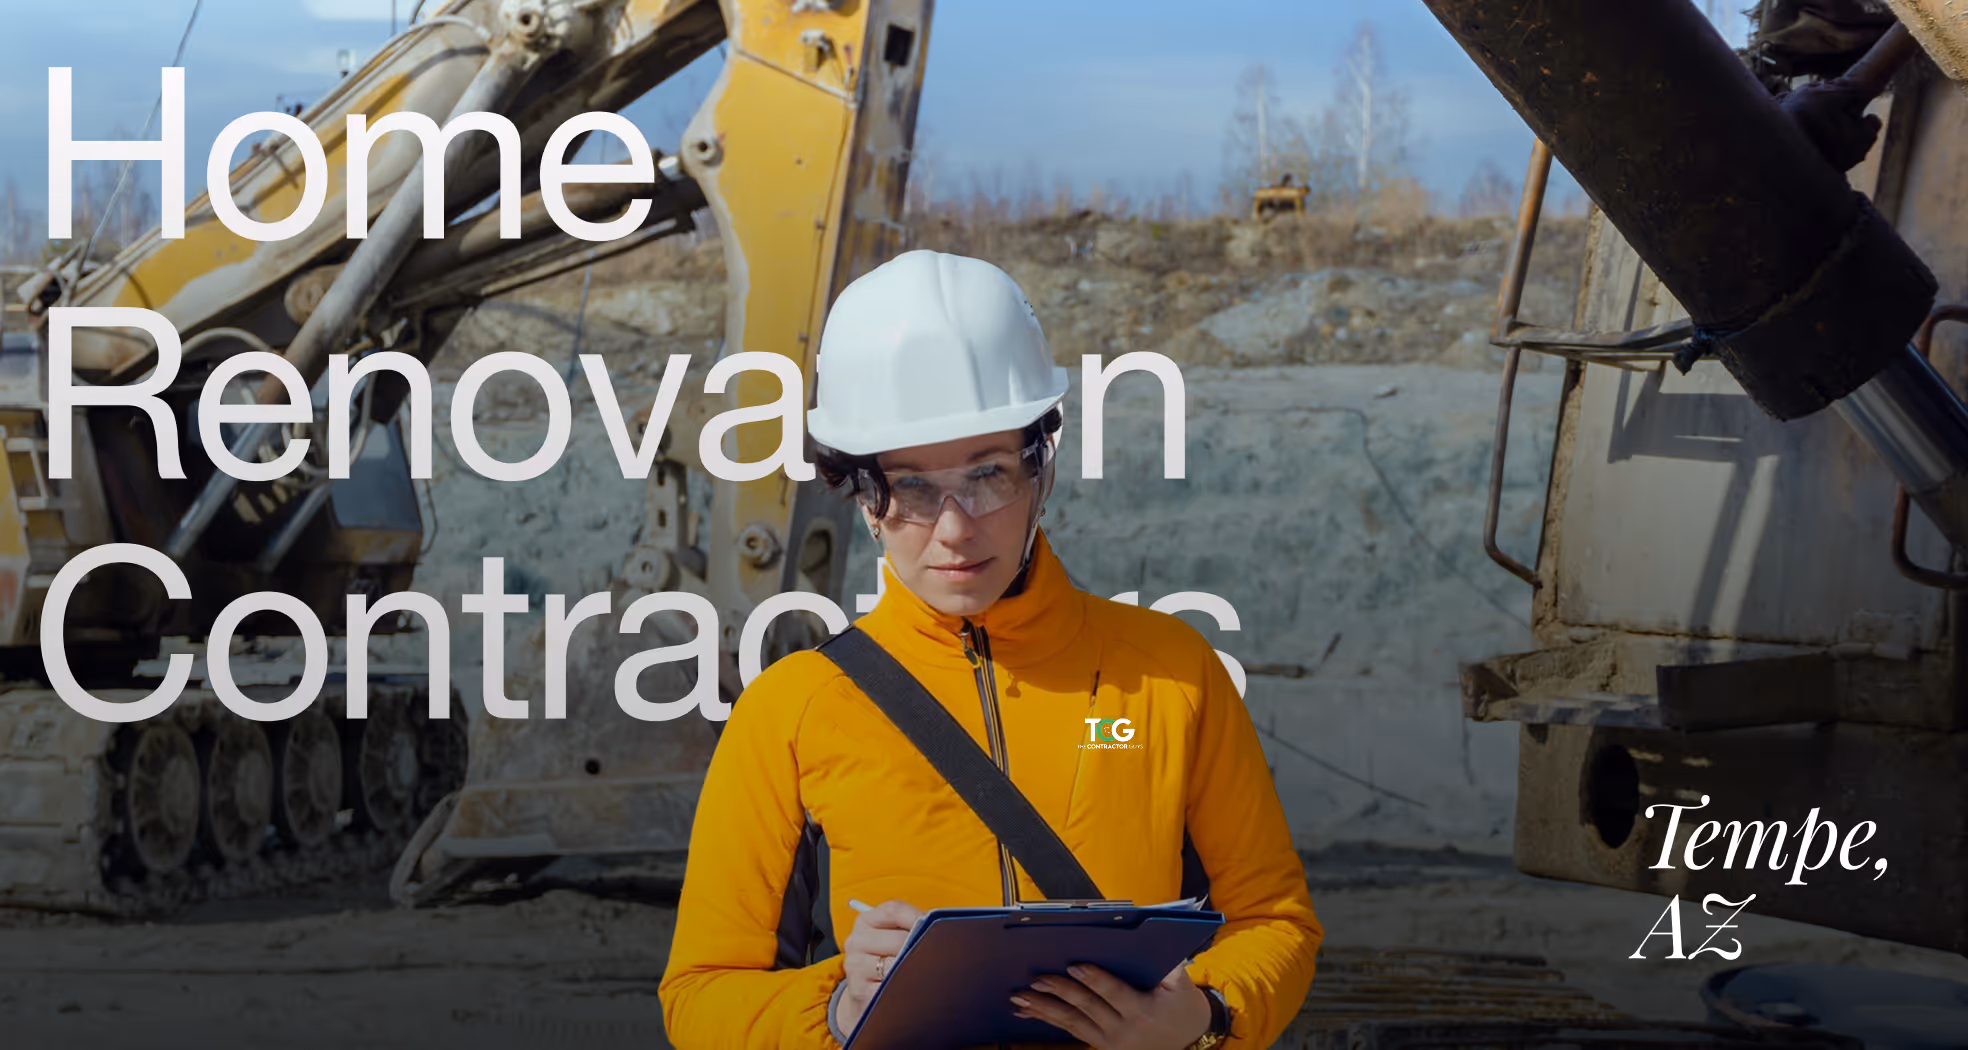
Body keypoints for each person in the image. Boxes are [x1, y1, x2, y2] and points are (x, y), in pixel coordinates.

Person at [658, 250, 1321, 1049]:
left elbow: (1275, 921)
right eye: (911, 488)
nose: (955, 528)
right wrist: (834, 1010)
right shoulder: (791, 711)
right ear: (865, 499)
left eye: (988, 475)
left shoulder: (1171, 673)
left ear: (1041, 469)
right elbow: (698, 998)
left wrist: (1206, 1015)